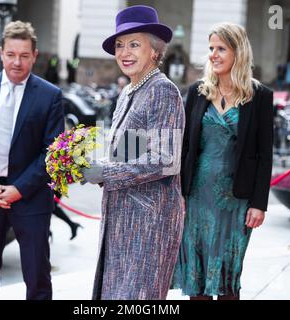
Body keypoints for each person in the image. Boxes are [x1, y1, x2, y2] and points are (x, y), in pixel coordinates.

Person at [82, 5, 185, 300]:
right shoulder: (129, 91)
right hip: (122, 221)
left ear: (155, 50)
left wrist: (106, 172)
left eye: (134, 44)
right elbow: (131, 155)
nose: (124, 52)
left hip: (148, 225)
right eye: (119, 45)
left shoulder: (163, 91)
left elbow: (166, 160)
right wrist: (93, 167)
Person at [0, 21, 64, 300]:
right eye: (11, 54)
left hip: (30, 197)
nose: (17, 62)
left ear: (35, 55)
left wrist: (19, 189)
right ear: (1, 53)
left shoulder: (50, 95)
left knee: (37, 274)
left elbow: (51, 152)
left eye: (24, 55)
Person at [173, 22, 274, 300]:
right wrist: (179, 192)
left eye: (221, 49)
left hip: (237, 200)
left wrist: (258, 203)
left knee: (229, 280)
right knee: (198, 278)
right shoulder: (198, 91)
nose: (213, 55)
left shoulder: (260, 96)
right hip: (197, 197)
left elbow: (265, 154)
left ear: (238, 52)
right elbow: (183, 146)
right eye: (211, 48)